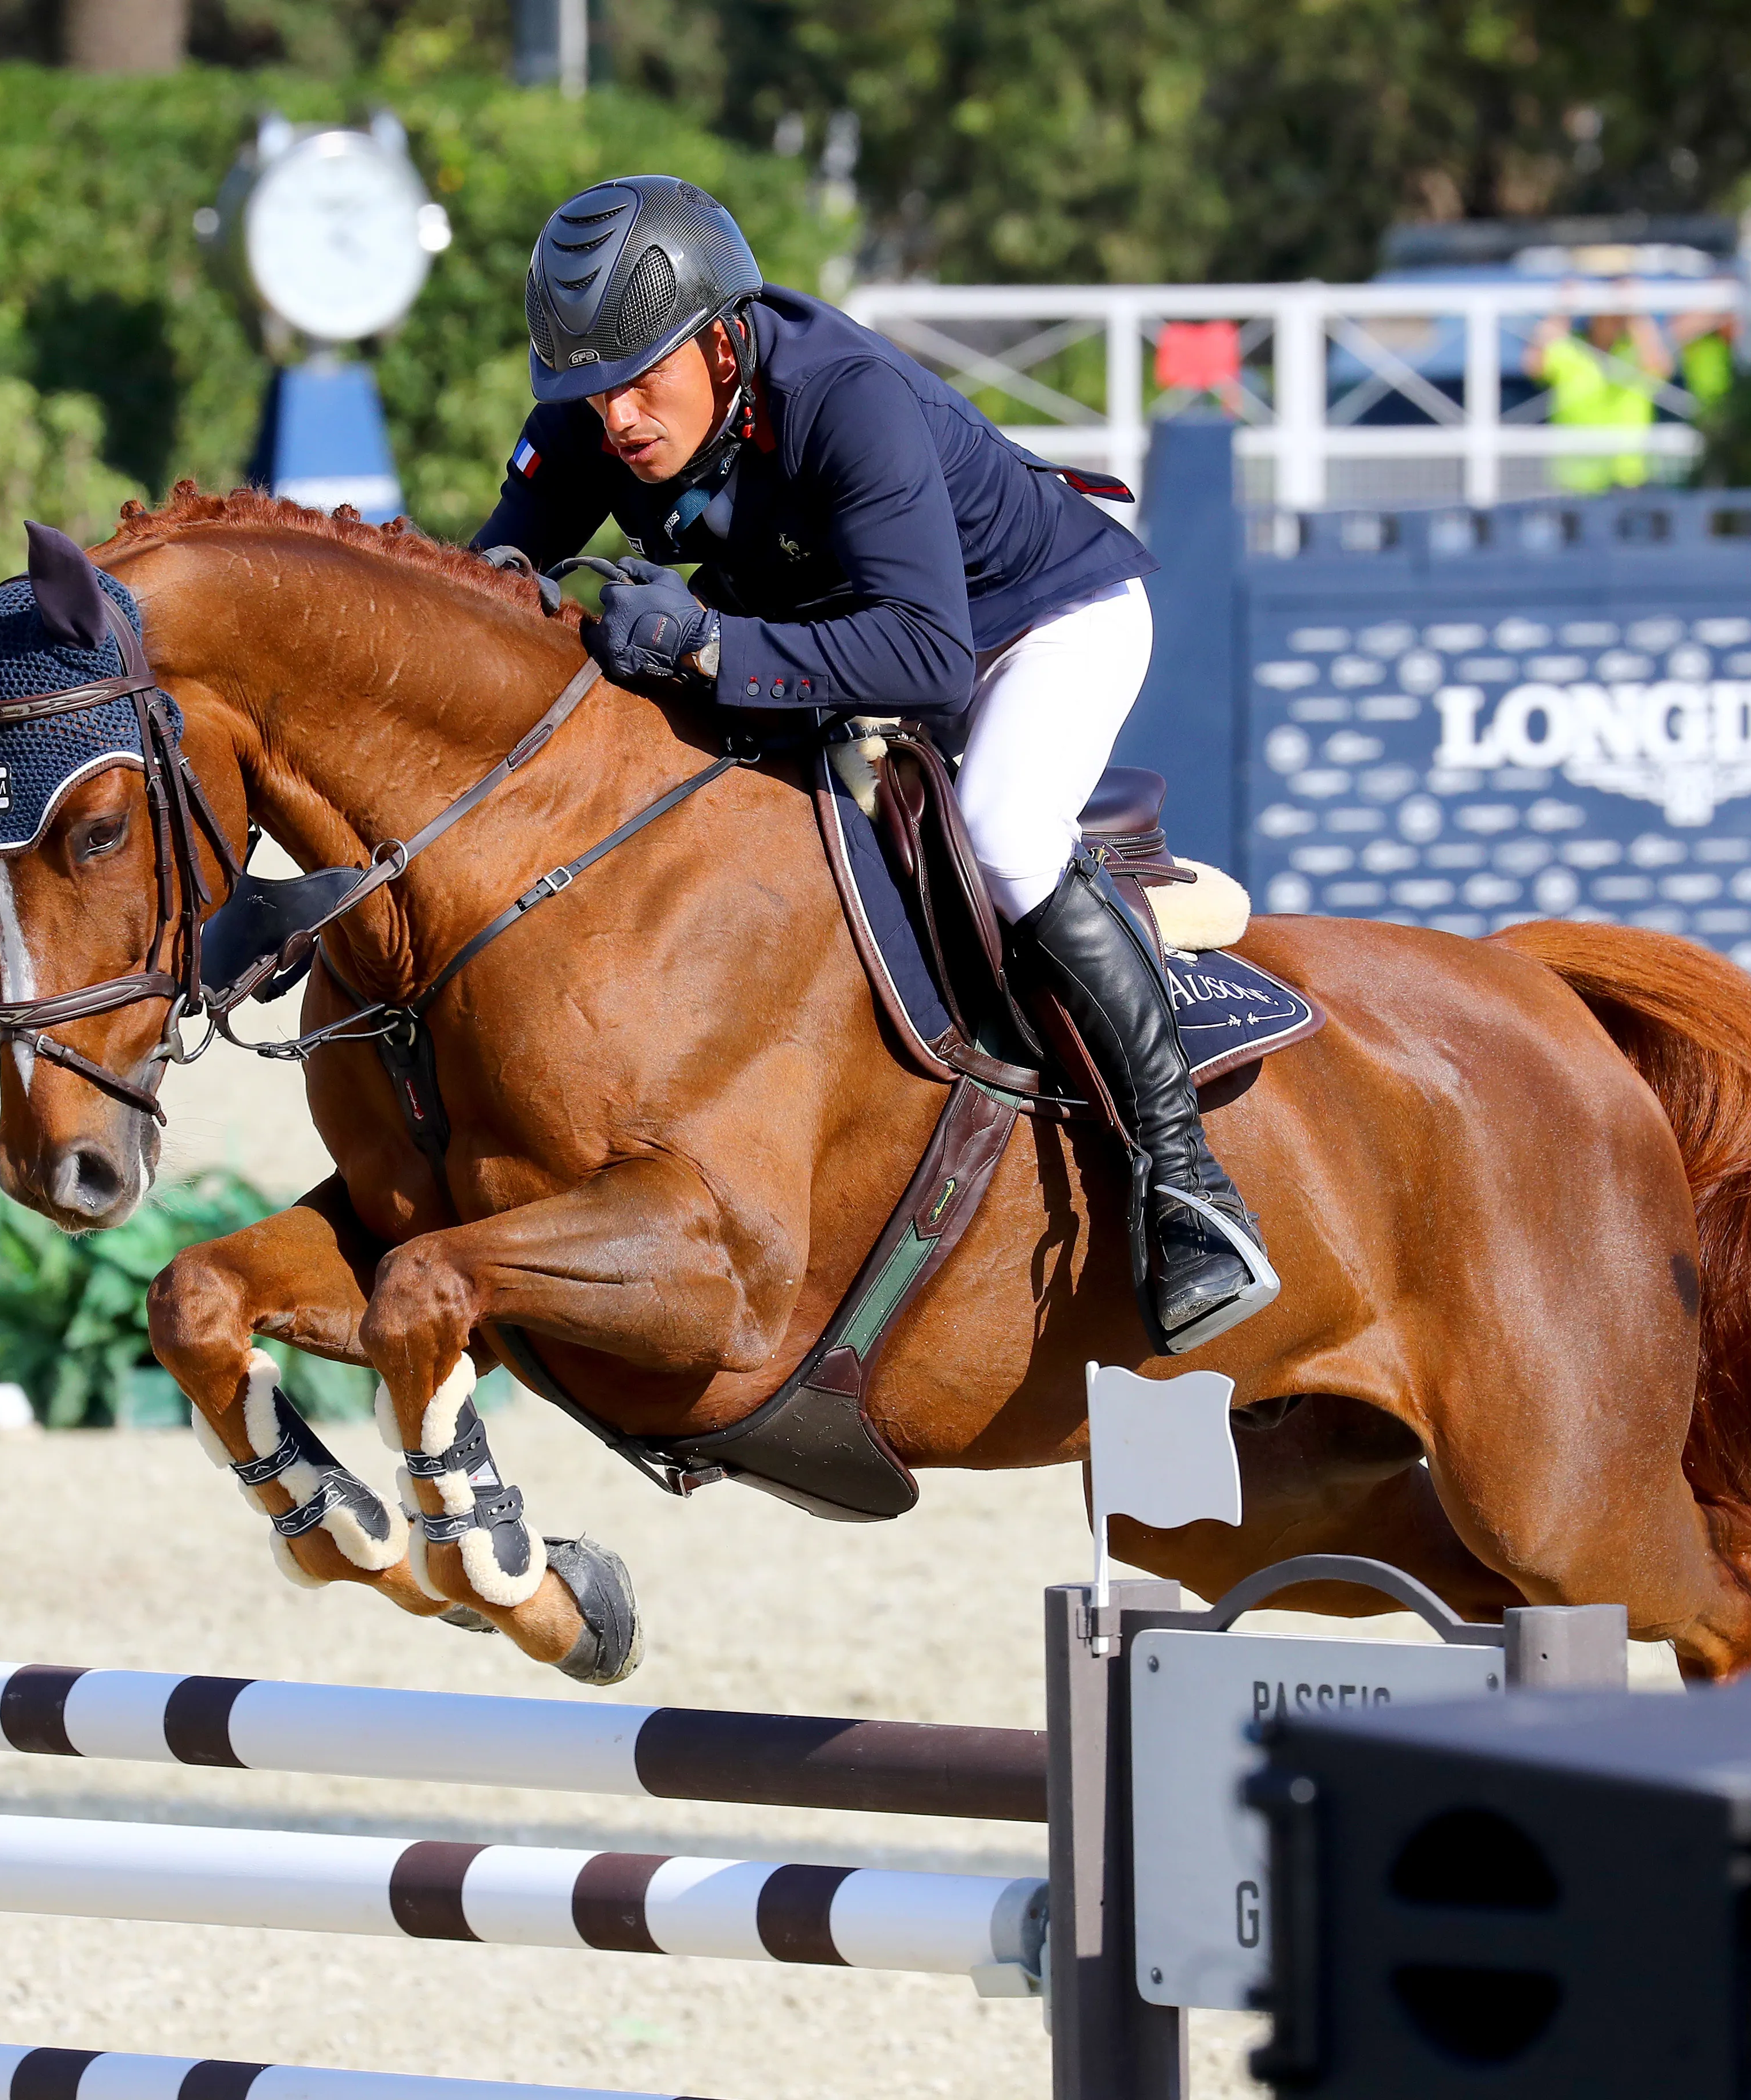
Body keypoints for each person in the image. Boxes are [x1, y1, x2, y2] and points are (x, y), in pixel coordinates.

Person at [470, 174, 1279, 1356]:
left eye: (647, 381)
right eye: (590, 397)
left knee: (1003, 828)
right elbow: (491, 589)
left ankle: (1190, 1181)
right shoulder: (596, 420)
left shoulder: (843, 399)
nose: (620, 422)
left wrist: (703, 641)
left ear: (726, 339)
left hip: (1027, 629)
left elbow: (928, 660)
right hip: (845, 636)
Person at [1524, 284, 1673, 493]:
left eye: (1616, 316)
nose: (1610, 321)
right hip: (1575, 479)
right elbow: (1534, 365)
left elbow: (1660, 366)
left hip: (1628, 476)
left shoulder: (1633, 352)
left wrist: (1637, 314)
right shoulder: (1571, 350)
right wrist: (1561, 310)